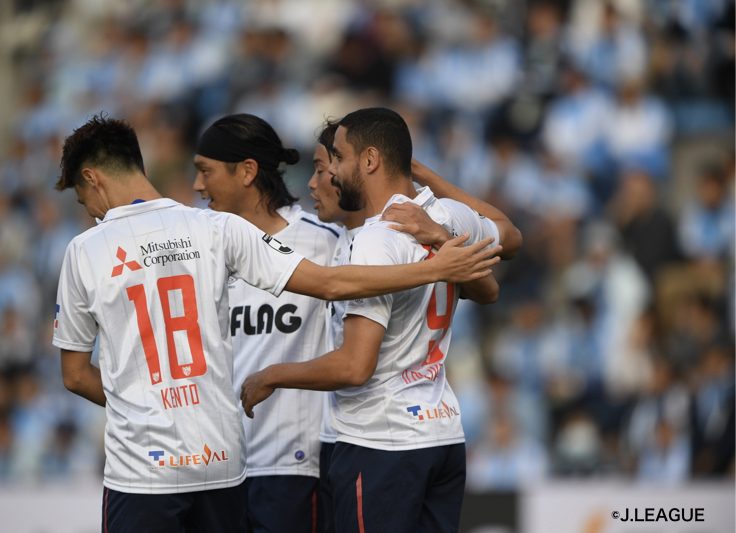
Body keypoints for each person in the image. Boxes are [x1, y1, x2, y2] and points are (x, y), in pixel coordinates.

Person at [52, 113, 500, 533]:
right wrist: (438, 263)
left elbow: (74, 375)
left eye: (81, 197)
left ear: (92, 178)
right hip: (224, 458)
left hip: (184, 466)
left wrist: (150, 408)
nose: (89, 209)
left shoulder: (87, 250)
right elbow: (331, 284)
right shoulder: (214, 229)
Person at [242, 107, 510, 532]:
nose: (331, 171)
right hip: (440, 432)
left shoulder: (375, 240)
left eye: (338, 158)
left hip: (381, 442)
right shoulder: (446, 216)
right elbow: (505, 242)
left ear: (369, 160)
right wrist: (437, 221)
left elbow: (355, 366)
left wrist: (271, 375)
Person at [191, 113, 338, 533]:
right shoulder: (201, 248)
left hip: (291, 466)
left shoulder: (322, 242)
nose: (198, 185)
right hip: (218, 466)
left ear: (247, 171)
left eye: (206, 171)